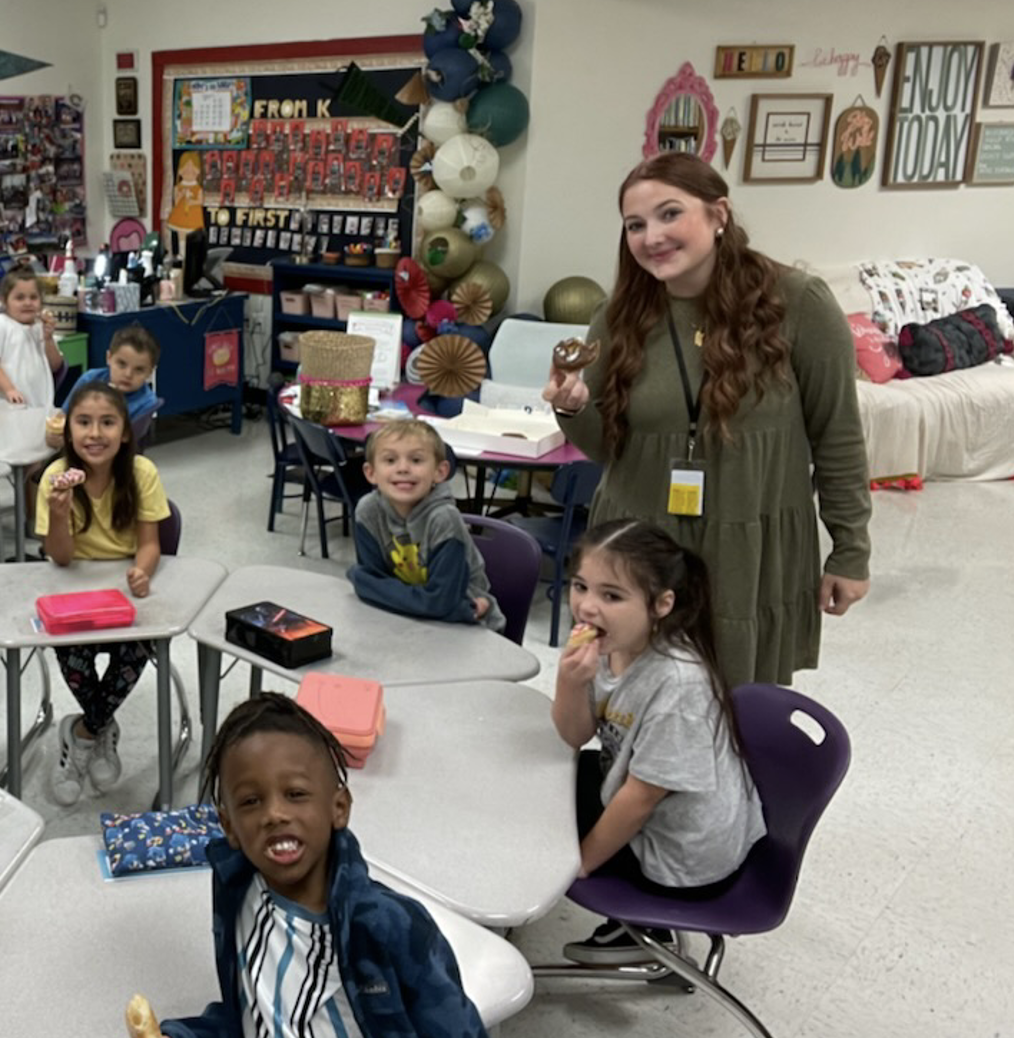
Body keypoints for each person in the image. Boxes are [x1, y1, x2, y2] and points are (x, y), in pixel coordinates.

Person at [544, 151, 870, 687]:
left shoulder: (798, 303)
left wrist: (851, 549)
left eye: (670, 214)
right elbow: (608, 448)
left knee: (735, 703)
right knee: (632, 699)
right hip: (639, 542)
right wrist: (572, 407)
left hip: (747, 542)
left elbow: (838, 436)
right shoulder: (619, 313)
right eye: (635, 224)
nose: (652, 236)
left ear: (718, 214)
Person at [160, 693, 487, 1038]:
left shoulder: (389, 927)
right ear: (229, 826)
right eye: (251, 801)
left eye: (296, 794)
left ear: (339, 807)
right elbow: (254, 1013)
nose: (274, 814)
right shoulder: (238, 892)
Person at [551, 520, 765, 965]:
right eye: (580, 586)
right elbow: (576, 735)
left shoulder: (678, 683)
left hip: (682, 854)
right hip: (637, 797)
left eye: (612, 596)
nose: (587, 607)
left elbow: (643, 797)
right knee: (539, 785)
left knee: (534, 821)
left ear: (662, 604)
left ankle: (643, 931)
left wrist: (581, 864)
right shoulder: (612, 645)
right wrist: (570, 682)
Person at [34, 382, 169, 807]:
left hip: (122, 595)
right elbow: (60, 559)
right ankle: (100, 727)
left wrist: (142, 571)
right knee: (71, 653)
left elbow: (150, 543)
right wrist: (58, 515)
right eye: (84, 422)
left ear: (125, 432)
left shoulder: (142, 473)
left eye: (107, 423)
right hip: (75, 591)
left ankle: (82, 732)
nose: (95, 433)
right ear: (68, 431)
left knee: (136, 649)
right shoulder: (55, 478)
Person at [347, 419, 503, 633]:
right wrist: (369, 585)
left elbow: (439, 601)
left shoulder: (444, 519)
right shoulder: (369, 511)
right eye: (390, 460)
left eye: (416, 460)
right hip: (409, 621)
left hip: (468, 626)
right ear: (371, 472)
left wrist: (362, 581)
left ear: (440, 471)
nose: (403, 468)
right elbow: (371, 584)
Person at [46, 323, 161, 449]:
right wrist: (55, 435)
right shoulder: (89, 379)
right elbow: (63, 416)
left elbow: (126, 445)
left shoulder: (147, 403)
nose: (128, 374)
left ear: (150, 372)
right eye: (121, 364)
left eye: (139, 370)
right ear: (109, 358)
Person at [0, 265, 64, 407]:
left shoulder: (40, 327)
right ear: (4, 301)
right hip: (1, 404)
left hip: (38, 406)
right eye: (19, 298)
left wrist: (48, 339)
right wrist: (9, 390)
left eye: (33, 297)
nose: (27, 303)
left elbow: (55, 365)